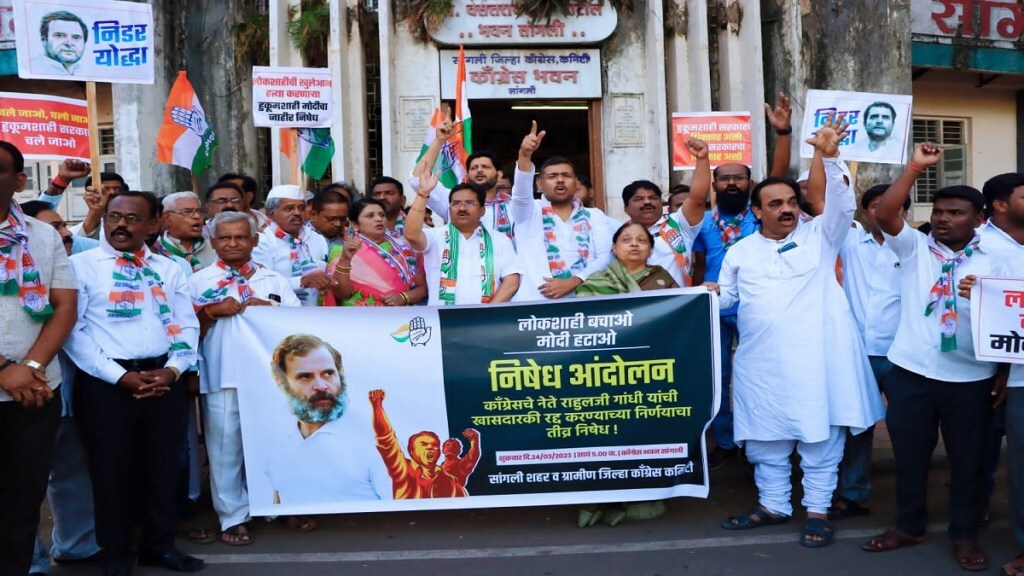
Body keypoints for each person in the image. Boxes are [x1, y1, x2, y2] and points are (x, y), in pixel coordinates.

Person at [708, 115, 884, 549]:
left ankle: (819, 511)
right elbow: (730, 301)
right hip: (762, 362)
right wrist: (709, 295)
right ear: (756, 211)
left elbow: (841, 205)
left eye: (790, 201)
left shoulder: (820, 237)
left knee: (820, 438)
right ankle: (774, 505)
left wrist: (829, 156)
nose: (786, 209)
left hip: (817, 360)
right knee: (767, 439)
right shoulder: (740, 251)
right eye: (775, 204)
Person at [859, 144, 1000, 572]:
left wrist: (985, 301)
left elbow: (1016, 315)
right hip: (913, 371)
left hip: (972, 375)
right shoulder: (915, 249)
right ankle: (909, 525)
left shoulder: (1002, 259)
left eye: (955, 213)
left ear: (979, 219)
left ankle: (964, 535)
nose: (943, 219)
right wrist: (916, 166)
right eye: (938, 211)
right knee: (911, 456)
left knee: (967, 462)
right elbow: (885, 214)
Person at [64, 190, 203, 575]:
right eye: (114, 216)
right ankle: (116, 555)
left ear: (154, 224)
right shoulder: (81, 266)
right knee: (111, 471)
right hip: (106, 384)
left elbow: (186, 323)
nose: (121, 224)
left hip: (163, 377)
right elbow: (74, 333)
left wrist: (173, 370)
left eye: (132, 218)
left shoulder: (170, 268)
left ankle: (160, 546)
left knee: (163, 468)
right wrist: (120, 376)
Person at [190, 211, 300, 546]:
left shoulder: (274, 281)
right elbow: (183, 330)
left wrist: (270, 310)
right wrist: (209, 312)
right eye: (225, 238)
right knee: (225, 449)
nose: (233, 243)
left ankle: (277, 505)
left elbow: (300, 329)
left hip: (271, 380)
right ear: (213, 241)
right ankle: (233, 515)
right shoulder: (197, 281)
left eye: (241, 237)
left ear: (254, 240)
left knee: (276, 443)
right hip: (221, 375)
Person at [0, 142, 78, 576]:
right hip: (16, 379)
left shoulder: (43, 234)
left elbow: (65, 305)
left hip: (34, 392)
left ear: (18, 181)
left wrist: (29, 368)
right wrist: (3, 370)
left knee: (22, 502)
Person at [18, 201, 99, 575]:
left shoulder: (87, 262)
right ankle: (29, 560)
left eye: (63, 229)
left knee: (70, 472)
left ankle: (78, 547)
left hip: (70, 392)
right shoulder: (18, 264)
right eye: (52, 228)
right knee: (21, 486)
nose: (63, 234)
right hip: (24, 388)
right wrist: (26, 369)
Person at [828, 185, 909, 521]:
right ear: (863, 213)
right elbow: (827, 204)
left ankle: (909, 496)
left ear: (904, 211)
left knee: (907, 427)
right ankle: (853, 493)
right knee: (857, 427)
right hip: (857, 352)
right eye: (876, 206)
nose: (883, 211)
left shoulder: (916, 247)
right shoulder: (849, 242)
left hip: (903, 353)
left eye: (891, 206)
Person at [960, 171, 1024, 576]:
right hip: (1018, 377)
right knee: (1020, 471)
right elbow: (1001, 315)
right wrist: (980, 296)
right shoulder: (995, 251)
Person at [266, 334, 391, 506]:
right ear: (281, 381)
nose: (321, 386)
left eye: (328, 373)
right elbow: (280, 499)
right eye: (305, 376)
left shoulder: (373, 443)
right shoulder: (276, 446)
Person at [510, 121, 613, 301]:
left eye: (566, 176)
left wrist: (574, 280)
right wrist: (524, 155)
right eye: (552, 176)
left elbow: (606, 256)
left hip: (585, 300)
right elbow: (520, 193)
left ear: (575, 183)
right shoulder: (528, 211)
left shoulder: (595, 216)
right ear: (539, 185)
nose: (560, 180)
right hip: (534, 303)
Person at [404, 175, 522, 306]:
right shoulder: (435, 237)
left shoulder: (500, 241)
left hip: (487, 321)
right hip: (442, 321)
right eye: (456, 203)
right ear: (449, 209)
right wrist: (423, 194)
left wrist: (489, 311)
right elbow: (411, 235)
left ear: (482, 211)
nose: (462, 208)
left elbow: (512, 281)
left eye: (470, 203)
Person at [620, 138, 711, 287]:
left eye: (653, 198)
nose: (647, 202)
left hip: (675, 305)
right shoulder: (618, 234)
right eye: (639, 199)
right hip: (635, 307)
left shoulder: (678, 224)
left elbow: (697, 199)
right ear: (626, 208)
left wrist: (702, 159)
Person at [412, 112, 515, 242]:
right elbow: (417, 180)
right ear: (468, 174)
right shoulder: (453, 200)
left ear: (499, 174)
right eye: (474, 168)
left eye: (485, 167)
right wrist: (439, 141)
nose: (479, 171)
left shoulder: (514, 205)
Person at [327, 199, 426, 307]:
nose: (378, 219)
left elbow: (422, 288)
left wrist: (404, 297)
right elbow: (341, 294)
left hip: (400, 318)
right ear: (354, 224)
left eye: (382, 215)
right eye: (370, 216)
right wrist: (345, 260)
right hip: (358, 319)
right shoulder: (341, 251)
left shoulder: (405, 249)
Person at [252, 184, 332, 306]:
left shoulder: (317, 238)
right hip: (281, 314)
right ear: (271, 213)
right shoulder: (262, 241)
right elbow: (263, 284)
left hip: (317, 313)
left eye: (301, 208)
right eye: (289, 209)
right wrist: (302, 282)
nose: (297, 213)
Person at [576, 222, 679, 296]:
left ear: (650, 250)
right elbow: (582, 316)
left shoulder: (661, 276)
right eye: (626, 240)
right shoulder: (596, 281)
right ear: (614, 248)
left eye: (641, 240)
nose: (634, 244)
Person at [154, 192, 215, 272]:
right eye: (187, 211)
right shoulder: (155, 251)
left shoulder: (215, 248)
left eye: (199, 211)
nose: (197, 216)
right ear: (166, 218)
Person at [32, 11, 88, 76]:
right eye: (59, 36)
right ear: (44, 40)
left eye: (76, 37)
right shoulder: (30, 70)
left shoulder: (85, 73)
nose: (69, 43)